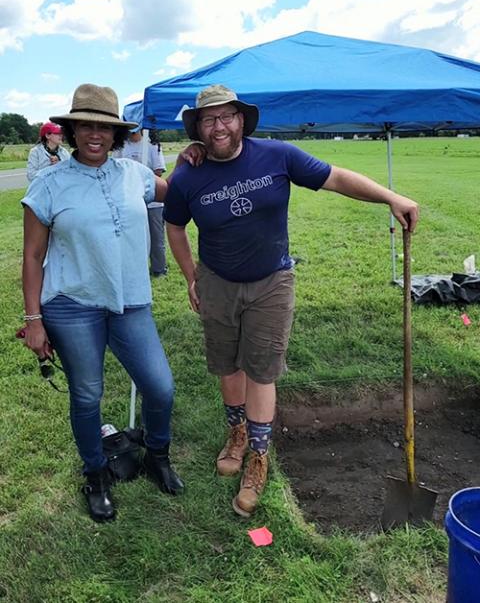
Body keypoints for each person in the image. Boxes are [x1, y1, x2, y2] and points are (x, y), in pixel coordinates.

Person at [163, 84, 419, 518]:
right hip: (217, 282)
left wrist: (390, 197)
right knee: (228, 365)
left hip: (271, 281)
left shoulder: (277, 155)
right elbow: (174, 226)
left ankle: (258, 457)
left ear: (242, 119)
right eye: (209, 119)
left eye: (226, 116)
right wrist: (192, 278)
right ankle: (237, 433)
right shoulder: (188, 174)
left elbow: (335, 177)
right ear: (198, 128)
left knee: (262, 369)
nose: (219, 126)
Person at [21, 83, 184, 523]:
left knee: (160, 386)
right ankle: (95, 474)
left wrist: (194, 161)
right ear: (73, 131)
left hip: (130, 302)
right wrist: (33, 319)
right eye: (86, 126)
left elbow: (179, 192)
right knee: (88, 394)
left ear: (117, 135)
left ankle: (157, 455)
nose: (96, 134)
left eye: (105, 128)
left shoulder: (134, 175)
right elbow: (33, 256)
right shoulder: (48, 184)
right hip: (72, 306)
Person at [113, 125, 168, 277]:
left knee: (156, 237)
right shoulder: (121, 146)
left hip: (153, 202)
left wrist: (142, 182)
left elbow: (158, 171)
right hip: (127, 201)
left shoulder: (152, 145)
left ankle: (159, 269)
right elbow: (114, 170)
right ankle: (135, 269)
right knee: (131, 238)